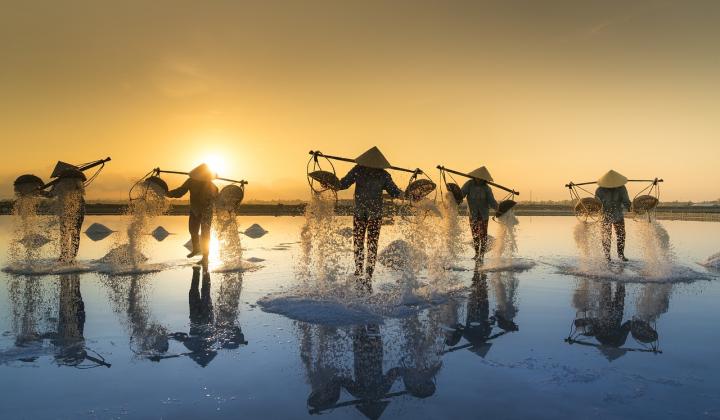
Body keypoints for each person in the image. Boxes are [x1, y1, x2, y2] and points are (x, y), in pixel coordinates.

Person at [338, 147, 403, 287]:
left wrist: (407, 195)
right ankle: (364, 273)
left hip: (367, 214)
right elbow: (395, 192)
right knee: (367, 244)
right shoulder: (374, 173)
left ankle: (364, 273)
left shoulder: (362, 170)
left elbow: (342, 184)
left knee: (360, 243)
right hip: (366, 213)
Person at [166, 163, 219, 266]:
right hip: (195, 209)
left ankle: (205, 257)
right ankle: (196, 249)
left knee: (205, 234)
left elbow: (217, 197)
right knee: (193, 230)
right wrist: (169, 193)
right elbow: (180, 191)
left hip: (206, 211)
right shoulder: (190, 181)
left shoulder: (211, 185)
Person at [460, 167, 498, 263]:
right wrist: (455, 196)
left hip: (483, 215)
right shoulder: (469, 184)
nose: (479, 179)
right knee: (475, 235)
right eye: (477, 177)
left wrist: (499, 209)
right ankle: (477, 253)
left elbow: (492, 201)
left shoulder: (487, 188)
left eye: (481, 178)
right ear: (475, 177)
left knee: (483, 235)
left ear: (484, 179)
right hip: (473, 214)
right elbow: (461, 194)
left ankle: (482, 255)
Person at [51, 169, 87, 264]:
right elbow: (50, 195)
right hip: (64, 212)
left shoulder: (77, 185)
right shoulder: (58, 184)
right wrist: (37, 192)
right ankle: (64, 255)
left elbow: (50, 194)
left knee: (74, 234)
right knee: (65, 234)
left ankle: (72, 257)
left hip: (78, 212)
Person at [595, 170, 631, 262]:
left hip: (618, 214)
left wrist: (629, 207)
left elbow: (626, 201)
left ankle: (620, 255)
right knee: (606, 236)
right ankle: (608, 257)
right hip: (604, 215)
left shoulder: (621, 188)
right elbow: (597, 205)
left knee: (621, 235)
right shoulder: (599, 190)